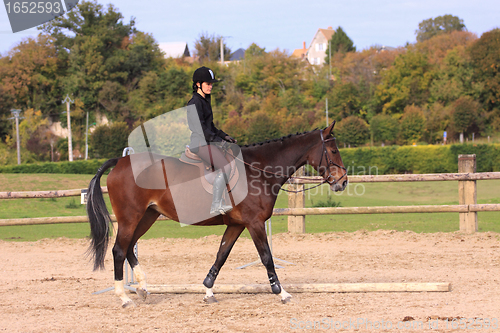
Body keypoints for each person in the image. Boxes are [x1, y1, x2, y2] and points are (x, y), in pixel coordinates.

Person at [187, 66, 237, 216]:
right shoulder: (194, 102)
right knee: (225, 167)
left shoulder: (205, 100)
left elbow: (211, 126)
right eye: (208, 83)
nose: (210, 86)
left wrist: (224, 136)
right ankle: (216, 204)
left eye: (211, 84)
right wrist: (217, 141)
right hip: (200, 143)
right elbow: (200, 128)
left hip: (207, 141)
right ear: (198, 84)